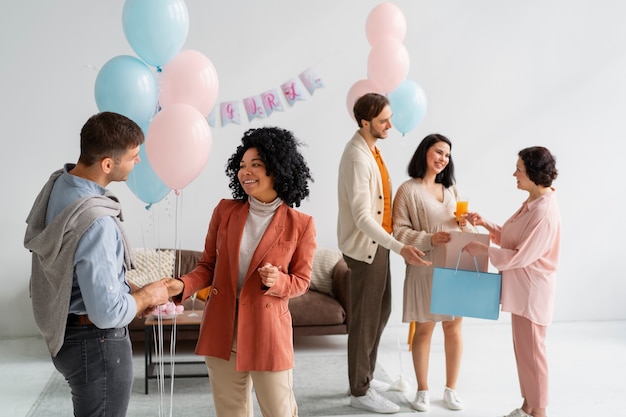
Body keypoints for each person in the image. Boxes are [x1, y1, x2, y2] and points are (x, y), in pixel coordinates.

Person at [24, 111, 172, 417]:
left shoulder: (59, 185)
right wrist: (147, 296)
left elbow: (74, 265)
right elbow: (106, 313)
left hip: (66, 335)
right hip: (96, 344)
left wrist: (128, 291)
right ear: (108, 164)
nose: (138, 162)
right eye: (133, 156)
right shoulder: (96, 222)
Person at [166, 127, 316, 417]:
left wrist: (279, 281)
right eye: (242, 165)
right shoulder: (225, 212)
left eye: (255, 165)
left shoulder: (301, 224)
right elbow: (207, 266)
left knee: (280, 412)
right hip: (222, 329)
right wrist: (181, 286)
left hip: (268, 334)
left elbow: (301, 281)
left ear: (277, 169)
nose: (245, 172)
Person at [337, 93, 430, 414]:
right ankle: (359, 391)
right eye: (383, 121)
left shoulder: (371, 150)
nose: (390, 124)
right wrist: (401, 246)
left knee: (381, 311)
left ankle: (365, 375)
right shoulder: (357, 158)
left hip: (378, 246)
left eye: (389, 118)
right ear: (365, 123)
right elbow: (363, 217)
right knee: (365, 320)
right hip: (367, 249)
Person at [463, 146, 560, 417]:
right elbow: (513, 236)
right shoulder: (533, 203)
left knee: (534, 355)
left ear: (533, 173)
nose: (514, 174)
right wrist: (485, 224)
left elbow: (522, 255)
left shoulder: (544, 212)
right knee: (524, 353)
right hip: (522, 291)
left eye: (519, 169)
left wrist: (486, 251)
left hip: (532, 293)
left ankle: (539, 412)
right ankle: (527, 406)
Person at [392, 133, 475, 412]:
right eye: (439, 152)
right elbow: (399, 231)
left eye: (447, 155)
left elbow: (464, 230)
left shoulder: (451, 189)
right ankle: (423, 390)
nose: (443, 159)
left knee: (454, 327)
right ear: (425, 153)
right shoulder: (407, 190)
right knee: (424, 328)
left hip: (454, 266)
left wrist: (466, 224)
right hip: (425, 267)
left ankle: (451, 389)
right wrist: (430, 239)